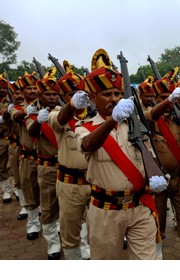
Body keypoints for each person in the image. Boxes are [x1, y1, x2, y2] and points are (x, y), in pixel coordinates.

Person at [75, 49, 167, 259]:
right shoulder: (85, 127)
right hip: (105, 210)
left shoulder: (136, 123)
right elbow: (88, 145)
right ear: (92, 98)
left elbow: (148, 154)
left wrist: (158, 175)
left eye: (117, 94)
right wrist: (111, 120)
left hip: (140, 206)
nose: (114, 99)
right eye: (107, 94)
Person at [47, 61, 92, 260]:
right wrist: (73, 105)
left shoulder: (95, 117)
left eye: (81, 93)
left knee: (99, 229)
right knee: (70, 229)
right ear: (64, 98)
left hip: (95, 182)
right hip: (70, 184)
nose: (78, 97)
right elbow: (61, 119)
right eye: (71, 95)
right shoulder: (56, 114)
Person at [143, 70, 180, 257]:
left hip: (179, 178)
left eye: (171, 98)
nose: (169, 101)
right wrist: (167, 101)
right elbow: (151, 115)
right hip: (158, 181)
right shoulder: (149, 118)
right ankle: (158, 256)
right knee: (157, 223)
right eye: (163, 97)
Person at [27, 68, 62, 260]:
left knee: (74, 208)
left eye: (55, 94)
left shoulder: (63, 113)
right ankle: (53, 243)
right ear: (40, 96)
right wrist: (39, 121)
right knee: (48, 207)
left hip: (66, 167)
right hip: (47, 167)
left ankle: (79, 243)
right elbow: (31, 132)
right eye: (47, 94)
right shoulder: (33, 114)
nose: (51, 97)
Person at [9, 72, 41, 240]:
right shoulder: (18, 107)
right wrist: (27, 112)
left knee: (49, 194)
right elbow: (15, 116)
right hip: (28, 158)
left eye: (35, 87)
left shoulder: (46, 106)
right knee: (29, 192)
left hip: (48, 160)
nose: (33, 91)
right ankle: (33, 223)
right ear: (22, 91)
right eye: (29, 88)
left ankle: (53, 223)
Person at [4, 79, 29, 220]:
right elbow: (8, 116)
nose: (19, 96)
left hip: (31, 149)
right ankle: (24, 206)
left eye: (21, 93)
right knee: (19, 179)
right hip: (15, 146)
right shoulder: (10, 108)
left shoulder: (34, 106)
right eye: (16, 93)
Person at [0, 73, 13, 203]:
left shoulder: (11, 100)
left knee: (14, 166)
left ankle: (16, 188)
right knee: (1, 167)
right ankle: (6, 190)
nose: (2, 90)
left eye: (4, 88)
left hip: (12, 138)